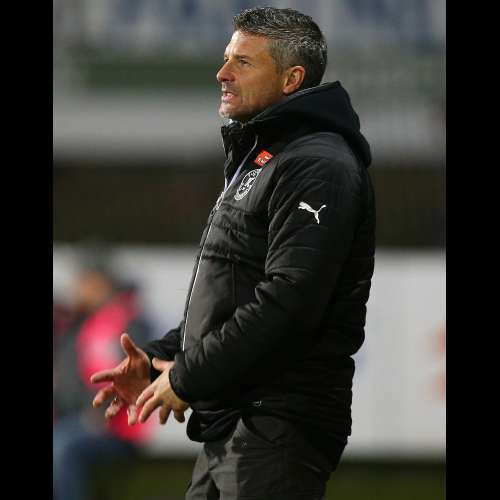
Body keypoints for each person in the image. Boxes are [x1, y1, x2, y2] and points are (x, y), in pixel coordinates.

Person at [91, 7, 375, 499]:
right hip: (238, 422)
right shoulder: (267, 156)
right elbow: (235, 295)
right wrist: (162, 359)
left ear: (291, 79)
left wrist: (189, 376)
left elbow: (289, 302)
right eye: (226, 58)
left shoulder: (318, 164)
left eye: (242, 62)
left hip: (275, 423)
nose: (222, 73)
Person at [53, 261, 154, 500]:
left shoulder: (128, 322)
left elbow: (134, 376)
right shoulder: (79, 324)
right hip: (77, 420)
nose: (80, 290)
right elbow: (68, 384)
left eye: (86, 283)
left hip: (116, 428)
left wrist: (97, 414)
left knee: (62, 447)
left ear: (102, 283)